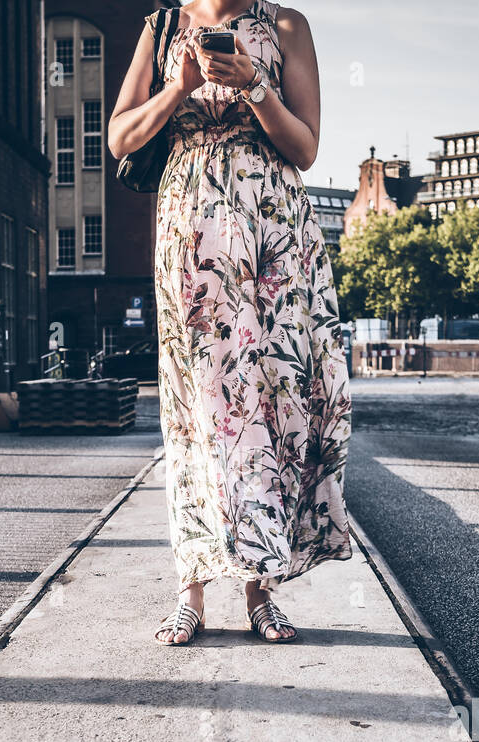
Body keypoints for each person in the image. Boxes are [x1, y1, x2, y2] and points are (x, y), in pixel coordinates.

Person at [109, 0, 351, 645]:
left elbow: (305, 148)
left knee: (270, 399)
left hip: (272, 232)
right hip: (190, 230)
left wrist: (256, 85)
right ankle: (190, 589)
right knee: (195, 406)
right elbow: (121, 137)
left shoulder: (286, 25)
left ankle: (260, 587)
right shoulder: (161, 26)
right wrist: (177, 90)